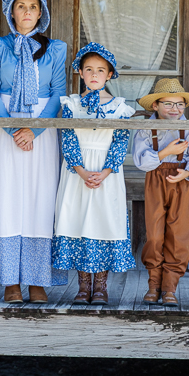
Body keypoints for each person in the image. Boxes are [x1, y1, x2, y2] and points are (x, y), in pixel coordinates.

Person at [0, 0, 68, 303]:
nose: (27, 11)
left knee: (40, 200)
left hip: (43, 130)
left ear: (41, 14)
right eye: (20, 6)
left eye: (33, 7)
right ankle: (10, 281)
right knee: (7, 200)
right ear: (11, 12)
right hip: (5, 129)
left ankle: (37, 281)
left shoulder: (55, 49)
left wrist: (34, 130)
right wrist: (14, 129)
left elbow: (57, 94)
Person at [52, 43, 137, 305]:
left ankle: (100, 286)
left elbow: (121, 142)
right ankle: (83, 285)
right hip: (77, 173)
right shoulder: (71, 103)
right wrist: (80, 170)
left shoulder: (120, 108)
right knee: (78, 220)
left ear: (109, 74)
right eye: (88, 69)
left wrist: (105, 171)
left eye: (101, 70)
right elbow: (68, 137)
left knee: (102, 221)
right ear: (80, 72)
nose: (94, 74)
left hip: (106, 173)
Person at [132, 78, 189, 307]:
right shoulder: (147, 129)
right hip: (155, 179)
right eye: (169, 104)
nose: (175, 109)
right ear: (155, 105)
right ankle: (154, 284)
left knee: (179, 234)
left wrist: (186, 174)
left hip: (180, 181)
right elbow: (141, 161)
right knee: (155, 234)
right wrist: (167, 151)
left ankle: (169, 288)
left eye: (180, 104)